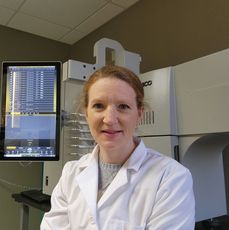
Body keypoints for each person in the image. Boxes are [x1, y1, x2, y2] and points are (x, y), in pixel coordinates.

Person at [41, 65, 195, 229]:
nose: (109, 119)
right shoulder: (70, 173)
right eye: (99, 106)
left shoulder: (171, 178)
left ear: (139, 115)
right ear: (86, 113)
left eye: (123, 106)